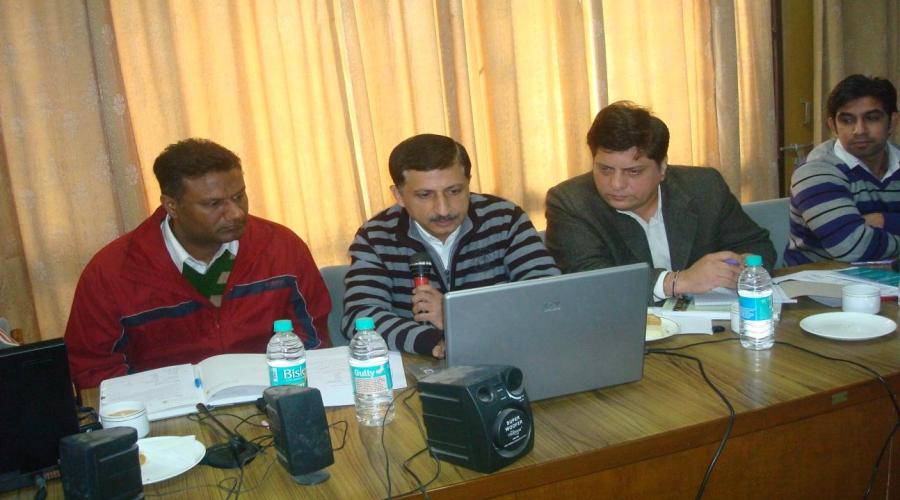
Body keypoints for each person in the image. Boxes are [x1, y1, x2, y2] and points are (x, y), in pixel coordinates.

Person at [64, 138, 331, 388]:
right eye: (214, 204)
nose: (236, 213)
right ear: (172, 206)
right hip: (164, 413)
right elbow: (93, 369)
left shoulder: (281, 248)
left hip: (272, 395)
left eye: (239, 196)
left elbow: (314, 338)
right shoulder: (111, 272)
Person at [343, 133, 559, 358]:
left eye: (454, 191)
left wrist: (457, 319)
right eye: (425, 195)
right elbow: (359, 318)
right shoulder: (376, 236)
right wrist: (432, 340)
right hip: (420, 365)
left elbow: (548, 298)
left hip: (506, 355)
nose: (443, 209)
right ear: (398, 195)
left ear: (468, 182)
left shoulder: (504, 219)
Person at [545, 101, 775, 304]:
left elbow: (757, 244)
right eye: (604, 169)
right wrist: (677, 282)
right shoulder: (570, 202)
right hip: (620, 332)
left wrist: (745, 267)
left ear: (662, 168)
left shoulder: (705, 187)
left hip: (710, 330)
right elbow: (592, 281)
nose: (616, 184)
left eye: (633, 172)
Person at [786, 74, 900, 264]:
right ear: (833, 125)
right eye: (847, 120)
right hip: (821, 286)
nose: (859, 130)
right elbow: (851, 247)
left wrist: (884, 220)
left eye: (872, 118)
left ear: (893, 121)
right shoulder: (815, 170)